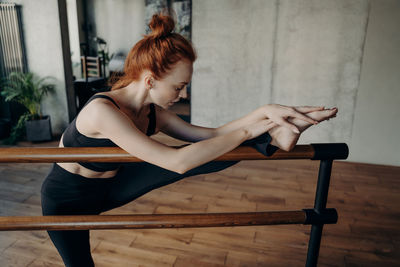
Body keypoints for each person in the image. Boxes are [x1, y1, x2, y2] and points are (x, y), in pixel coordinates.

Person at [41, 13, 338, 267]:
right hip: (67, 200)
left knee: (204, 153)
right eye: (179, 87)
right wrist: (251, 130)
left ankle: (275, 138)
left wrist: (264, 112)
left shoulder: (152, 113)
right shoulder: (102, 111)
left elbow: (213, 136)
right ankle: (271, 137)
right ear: (150, 80)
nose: (183, 95)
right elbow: (176, 161)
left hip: (110, 187)